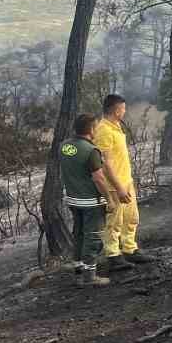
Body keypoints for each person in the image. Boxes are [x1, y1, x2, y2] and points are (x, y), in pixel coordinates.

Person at [93, 94, 156, 270]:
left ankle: (130, 249)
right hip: (114, 186)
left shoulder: (116, 127)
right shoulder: (103, 130)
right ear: (115, 110)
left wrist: (126, 183)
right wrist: (119, 187)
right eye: (123, 108)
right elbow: (105, 163)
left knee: (131, 217)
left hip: (125, 181)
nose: (125, 111)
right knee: (114, 221)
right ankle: (113, 255)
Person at [59, 114, 117, 286]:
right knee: (93, 237)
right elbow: (98, 179)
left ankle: (78, 271)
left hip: (73, 199)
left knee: (78, 234)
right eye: (96, 127)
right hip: (90, 202)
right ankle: (90, 276)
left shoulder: (64, 146)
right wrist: (109, 199)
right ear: (91, 129)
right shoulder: (91, 151)